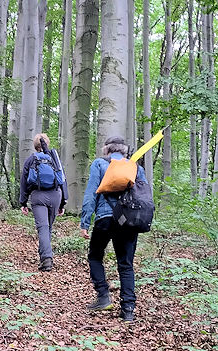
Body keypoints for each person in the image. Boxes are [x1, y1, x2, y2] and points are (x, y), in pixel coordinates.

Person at [80, 137, 147, 322]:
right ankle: (128, 310)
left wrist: (85, 222)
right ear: (125, 151)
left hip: (105, 218)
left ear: (106, 150)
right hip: (128, 221)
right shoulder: (136, 167)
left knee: (95, 256)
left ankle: (103, 295)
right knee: (126, 265)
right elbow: (143, 197)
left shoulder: (100, 164)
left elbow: (91, 193)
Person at [18, 133, 68, 271]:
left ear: (35, 146)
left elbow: (23, 183)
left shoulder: (30, 160)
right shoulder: (54, 159)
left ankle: (46, 258)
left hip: (38, 196)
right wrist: (63, 202)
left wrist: (23, 202)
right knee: (48, 228)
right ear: (47, 143)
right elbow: (63, 179)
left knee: (43, 227)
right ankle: (45, 256)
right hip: (55, 195)